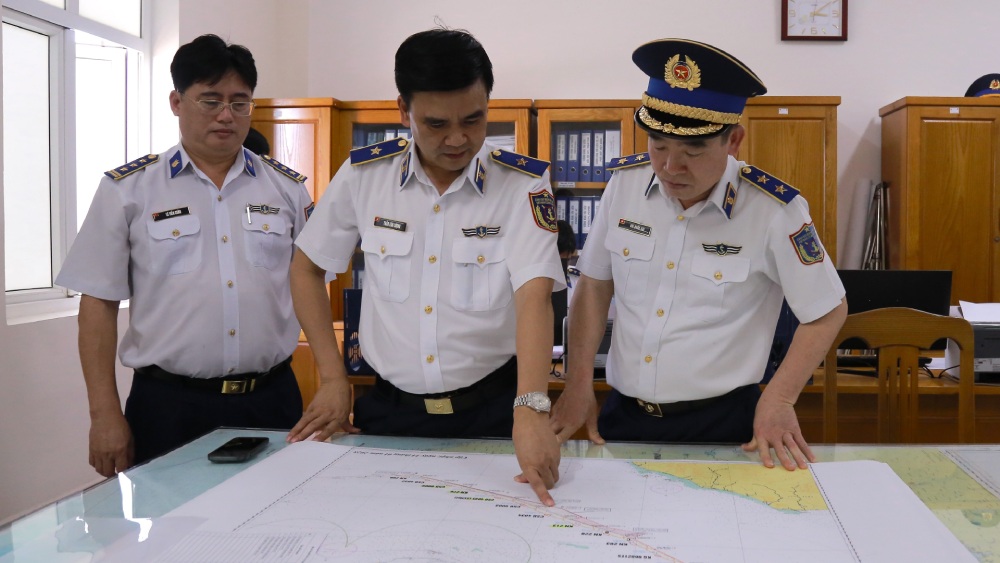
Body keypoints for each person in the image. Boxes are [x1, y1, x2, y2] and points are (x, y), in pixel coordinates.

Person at [289, 28, 565, 506]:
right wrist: (333, 379)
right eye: (436, 124)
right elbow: (306, 268)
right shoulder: (364, 175)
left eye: (474, 119)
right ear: (404, 111)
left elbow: (534, 294)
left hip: (495, 415)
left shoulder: (522, 183)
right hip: (390, 414)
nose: (458, 139)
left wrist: (532, 406)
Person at [550, 38, 847, 471]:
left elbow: (826, 310)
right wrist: (577, 382)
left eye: (692, 151)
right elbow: (594, 285)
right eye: (658, 146)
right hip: (624, 416)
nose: (671, 167)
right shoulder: (625, 186)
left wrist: (781, 397)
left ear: (734, 141)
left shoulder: (772, 209)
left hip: (725, 426)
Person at [55, 34, 313, 476]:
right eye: (210, 100)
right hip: (169, 405)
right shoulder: (130, 190)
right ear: (177, 101)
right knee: (172, 535)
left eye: (240, 102)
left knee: (275, 531)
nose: (227, 116)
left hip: (272, 399)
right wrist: (104, 415)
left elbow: (310, 284)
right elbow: (97, 304)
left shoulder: (287, 189)